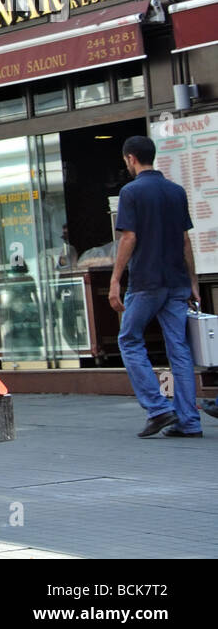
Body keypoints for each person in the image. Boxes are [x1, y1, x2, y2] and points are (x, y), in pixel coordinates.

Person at [109, 135, 203, 438]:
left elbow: (129, 238)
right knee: (179, 349)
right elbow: (185, 240)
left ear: (130, 158)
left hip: (146, 282)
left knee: (129, 339)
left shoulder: (131, 192)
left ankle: (158, 409)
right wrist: (193, 282)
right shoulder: (176, 192)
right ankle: (189, 421)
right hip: (176, 282)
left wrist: (115, 279)